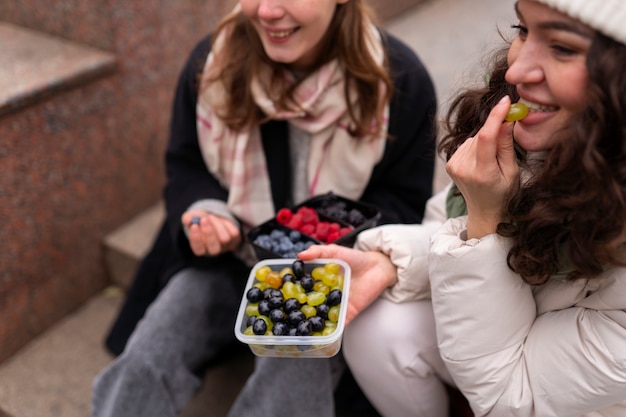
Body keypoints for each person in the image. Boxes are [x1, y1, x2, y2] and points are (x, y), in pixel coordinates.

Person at [91, 0, 438, 415]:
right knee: (145, 358)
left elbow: (403, 200)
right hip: (227, 260)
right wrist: (203, 211)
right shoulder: (211, 64)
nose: (268, 11)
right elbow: (187, 164)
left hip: (326, 275)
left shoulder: (400, 81)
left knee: (289, 384)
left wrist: (340, 240)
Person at [299, 0, 626, 415]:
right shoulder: (544, 138)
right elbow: (446, 223)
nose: (516, 71)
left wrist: (487, 220)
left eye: (562, 48)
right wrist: (392, 262)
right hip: (502, 341)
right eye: (522, 30)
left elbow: (510, 397)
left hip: (559, 395)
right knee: (377, 326)